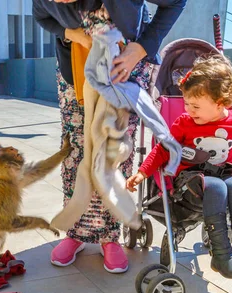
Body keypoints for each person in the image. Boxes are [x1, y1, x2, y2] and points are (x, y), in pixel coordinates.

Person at [33, 0, 186, 273]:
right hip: (76, 67)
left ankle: (109, 237)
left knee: (114, 150)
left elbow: (175, 2)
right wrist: (71, 34)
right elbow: (41, 15)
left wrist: (140, 49)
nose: (59, 2)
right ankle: (77, 232)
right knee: (77, 150)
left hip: (126, 63)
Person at [126, 54, 232, 280]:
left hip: (225, 173)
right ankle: (221, 255)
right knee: (216, 187)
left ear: (219, 103)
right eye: (186, 103)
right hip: (189, 181)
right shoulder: (184, 123)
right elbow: (163, 149)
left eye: (195, 105)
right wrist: (143, 172)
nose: (188, 109)